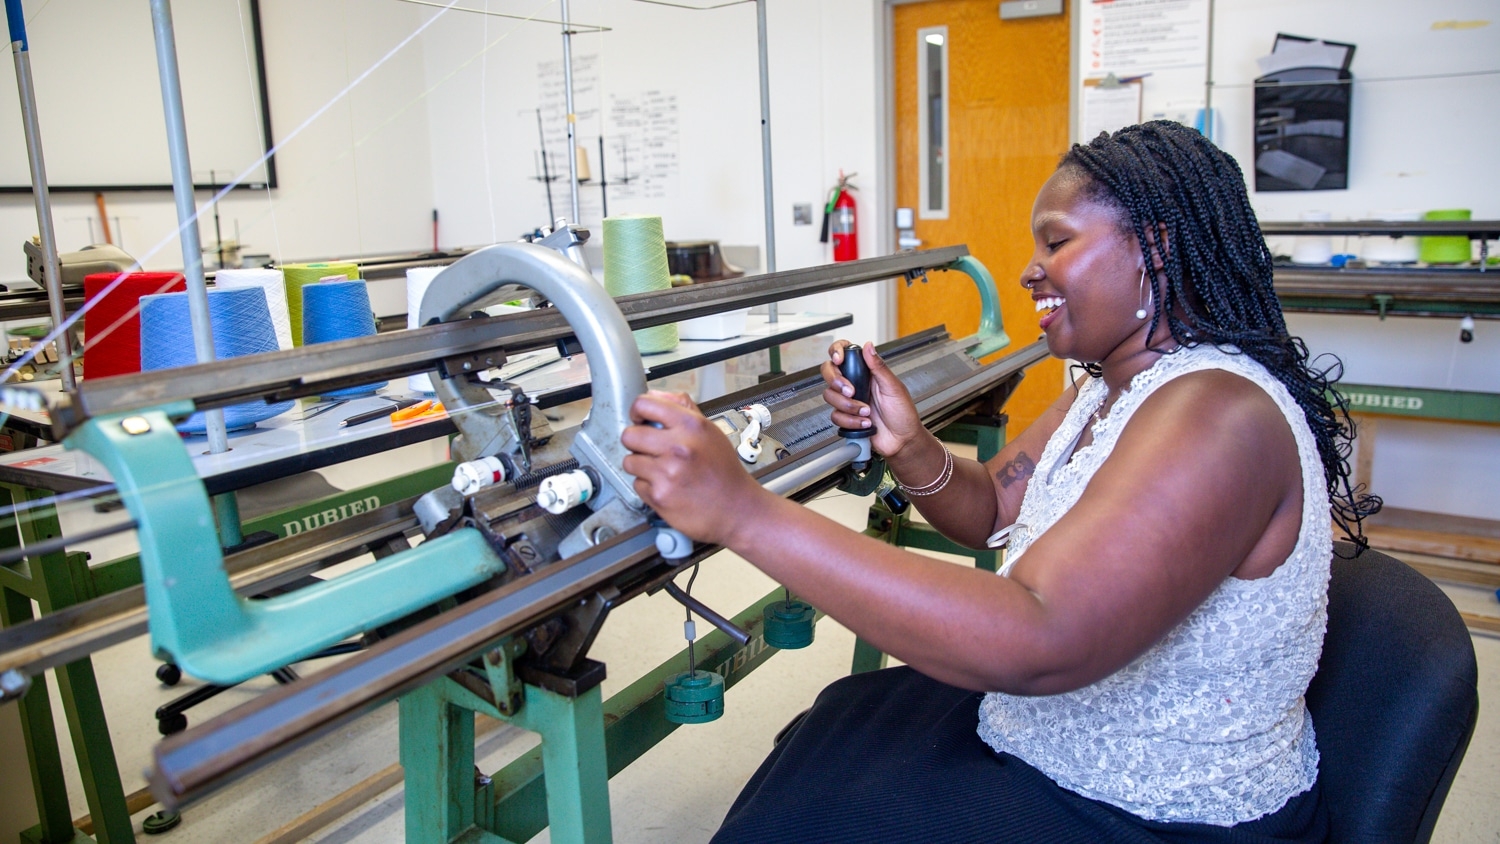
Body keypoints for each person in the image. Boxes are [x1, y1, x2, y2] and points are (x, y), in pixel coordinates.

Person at [620, 121, 1378, 842]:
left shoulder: (1219, 416)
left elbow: (1039, 634)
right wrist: (908, 442)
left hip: (1156, 813)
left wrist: (744, 512)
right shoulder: (1110, 388)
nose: (1028, 268)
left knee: (814, 819)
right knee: (837, 725)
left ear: (1156, 246)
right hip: (1058, 733)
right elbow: (989, 507)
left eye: (1058, 241)